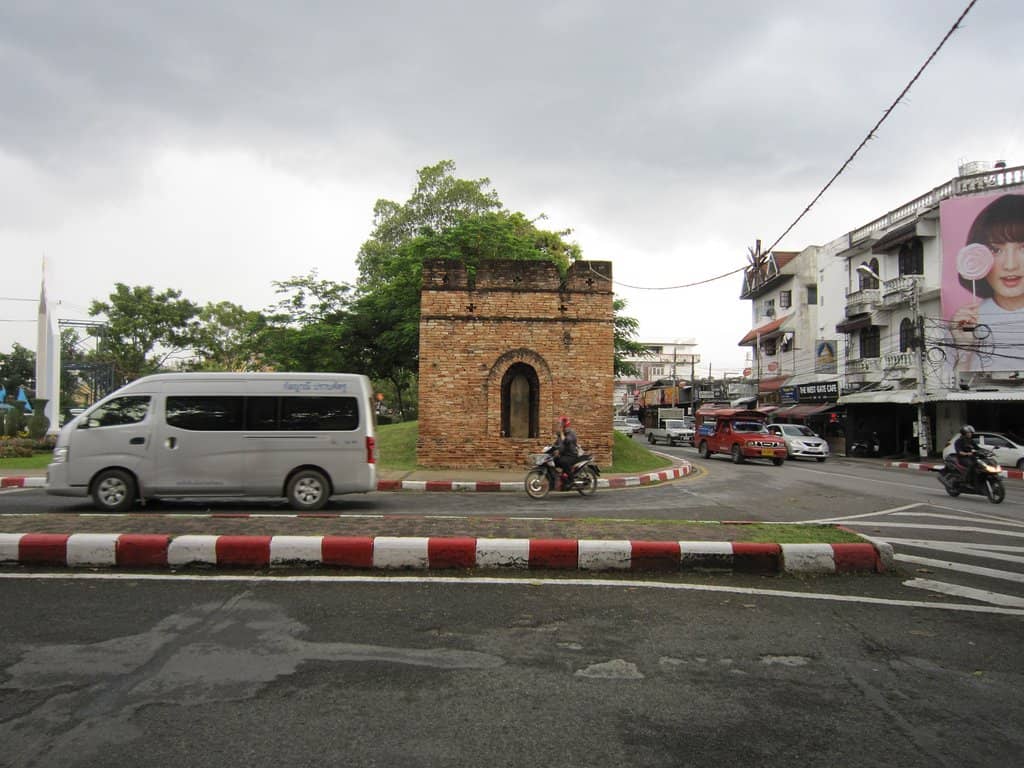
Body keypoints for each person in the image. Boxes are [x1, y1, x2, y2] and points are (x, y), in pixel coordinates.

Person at [950, 194, 1024, 373]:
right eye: (996, 250)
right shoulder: (966, 323)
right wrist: (964, 350)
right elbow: (955, 386)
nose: (1010, 265)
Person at [553, 416, 579, 488]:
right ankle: (562, 477)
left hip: (572, 455)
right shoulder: (561, 434)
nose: (559, 425)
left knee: (563, 462)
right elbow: (556, 443)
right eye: (559, 424)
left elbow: (567, 441)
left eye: (560, 424)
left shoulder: (571, 433)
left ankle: (571, 480)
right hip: (564, 455)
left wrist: (561, 433)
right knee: (554, 460)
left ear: (565, 424)